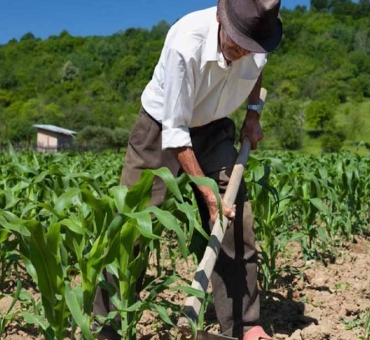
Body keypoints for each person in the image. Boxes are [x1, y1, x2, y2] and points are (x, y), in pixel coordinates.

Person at [93, 1, 282, 339]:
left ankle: (244, 325)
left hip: (215, 126)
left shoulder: (259, 38)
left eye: (249, 46)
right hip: (161, 129)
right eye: (236, 42)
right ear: (222, 18)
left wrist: (252, 114)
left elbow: (256, 72)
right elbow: (176, 133)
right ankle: (106, 327)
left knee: (236, 219)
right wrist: (208, 196)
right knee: (132, 226)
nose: (241, 52)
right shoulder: (186, 41)